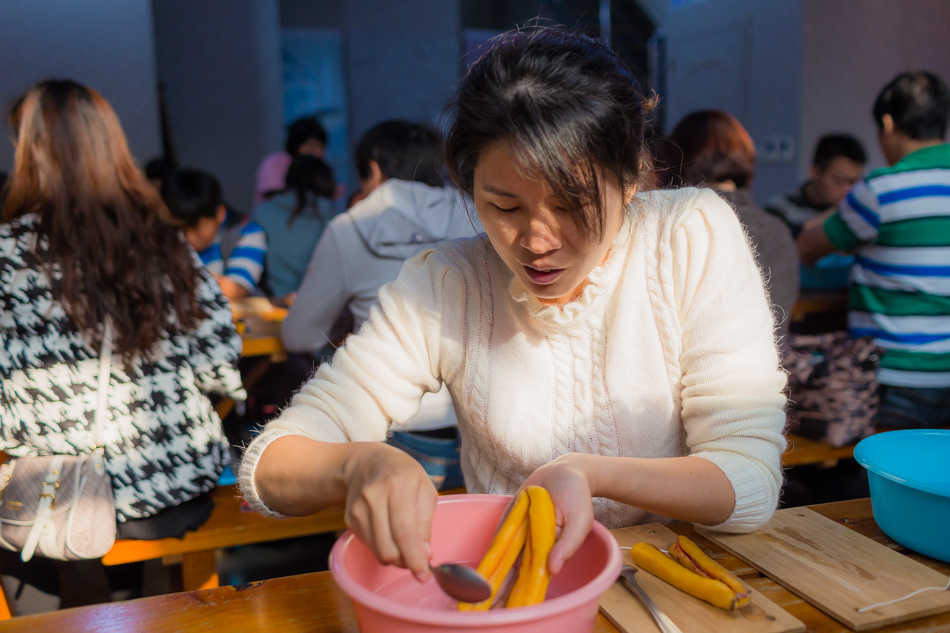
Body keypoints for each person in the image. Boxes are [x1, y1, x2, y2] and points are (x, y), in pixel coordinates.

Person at [239, 29, 786, 585]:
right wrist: (355, 465)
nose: (537, 239)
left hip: (673, 582)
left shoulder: (688, 235)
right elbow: (271, 466)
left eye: (573, 205)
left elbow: (749, 477)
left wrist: (589, 473)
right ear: (468, 187)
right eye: (503, 205)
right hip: (518, 588)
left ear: (631, 180)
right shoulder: (447, 282)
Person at [0, 79, 245, 612]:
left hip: (59, 498)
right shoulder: (163, 240)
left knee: (25, 531)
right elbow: (220, 364)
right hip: (174, 490)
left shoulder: (7, 252)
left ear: (30, 152)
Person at [281, 120, 476, 489]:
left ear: (372, 170)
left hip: (392, 433)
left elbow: (299, 336)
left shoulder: (350, 227)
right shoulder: (482, 211)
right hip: (482, 425)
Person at [798, 71, 950, 428]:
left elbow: (808, 248)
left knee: (890, 479)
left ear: (888, 122)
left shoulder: (882, 188)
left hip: (897, 376)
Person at [656, 110, 800, 341]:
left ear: (674, 160)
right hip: (766, 370)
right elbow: (777, 333)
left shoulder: (673, 224)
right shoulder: (775, 230)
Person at [766, 134, 866, 290]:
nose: (847, 190)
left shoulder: (858, 215)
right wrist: (838, 212)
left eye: (853, 182)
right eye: (839, 181)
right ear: (814, 171)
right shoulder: (780, 208)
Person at [162, 169, 268, 300]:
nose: (189, 237)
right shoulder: (169, 239)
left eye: (196, 228)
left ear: (220, 213)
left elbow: (238, 288)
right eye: (182, 229)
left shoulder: (246, 232)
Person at [251, 154, 337, 299]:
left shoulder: (262, 213)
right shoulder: (335, 219)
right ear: (327, 181)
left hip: (270, 304)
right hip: (319, 306)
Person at [254, 116, 328, 205]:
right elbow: (273, 196)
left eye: (319, 146)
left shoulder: (320, 169)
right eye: (310, 146)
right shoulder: (274, 163)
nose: (314, 151)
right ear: (295, 144)